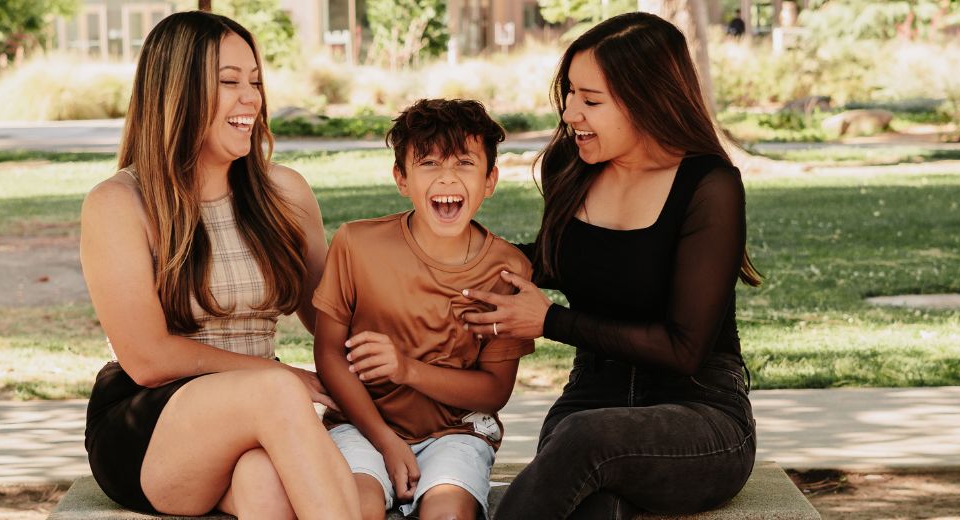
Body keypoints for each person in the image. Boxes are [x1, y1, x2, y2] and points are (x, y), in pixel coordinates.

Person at [461, 12, 761, 519]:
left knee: (585, 438)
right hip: (590, 398)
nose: (571, 113)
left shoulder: (710, 185)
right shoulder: (573, 168)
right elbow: (554, 260)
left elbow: (685, 349)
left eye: (590, 100)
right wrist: (460, 259)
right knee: (590, 505)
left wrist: (549, 321)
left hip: (700, 414)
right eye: (571, 94)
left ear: (646, 100)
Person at [78, 12, 359, 518]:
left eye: (254, 81)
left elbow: (332, 321)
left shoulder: (285, 193)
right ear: (177, 93)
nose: (251, 98)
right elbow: (148, 359)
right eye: (229, 82)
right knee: (272, 391)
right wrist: (287, 380)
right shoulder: (120, 202)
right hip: (149, 426)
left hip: (262, 413)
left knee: (264, 487)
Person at [313, 99, 534, 520]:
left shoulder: (507, 270)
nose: (447, 177)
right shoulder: (356, 245)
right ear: (401, 177)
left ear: (490, 180)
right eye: (429, 163)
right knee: (355, 507)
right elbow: (328, 353)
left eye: (465, 164)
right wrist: (385, 440)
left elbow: (494, 391)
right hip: (361, 425)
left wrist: (405, 369)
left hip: (456, 433)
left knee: (447, 514)